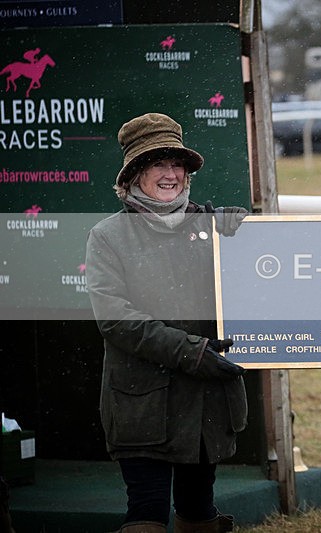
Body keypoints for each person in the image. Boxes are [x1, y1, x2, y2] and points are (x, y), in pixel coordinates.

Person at [85, 113, 249, 533]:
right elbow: (115, 319)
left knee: (197, 507)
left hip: (204, 404)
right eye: (158, 163)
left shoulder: (215, 228)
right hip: (142, 401)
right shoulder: (107, 235)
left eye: (177, 164)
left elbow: (258, 292)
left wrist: (248, 239)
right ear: (135, 173)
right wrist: (190, 351)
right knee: (146, 511)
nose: (171, 174)